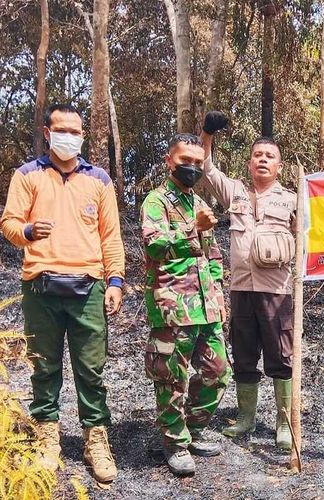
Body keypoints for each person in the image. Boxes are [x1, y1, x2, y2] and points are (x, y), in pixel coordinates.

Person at [0, 103, 124, 482]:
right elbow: (8, 222)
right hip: (41, 287)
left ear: (83, 136)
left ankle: (96, 439)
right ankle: (47, 437)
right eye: (62, 129)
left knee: (91, 369)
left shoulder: (99, 179)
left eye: (76, 131)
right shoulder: (28, 176)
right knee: (44, 366)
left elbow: (111, 237)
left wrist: (115, 281)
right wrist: (28, 232)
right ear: (47, 131)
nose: (69, 136)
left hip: (88, 288)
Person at [199, 111, 297, 450]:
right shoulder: (235, 192)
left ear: (279, 166)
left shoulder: (292, 200)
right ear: (249, 162)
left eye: (270, 156)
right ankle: (246, 418)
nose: (263, 160)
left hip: (277, 291)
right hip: (241, 289)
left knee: (281, 357)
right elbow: (207, 169)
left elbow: (308, 238)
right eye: (258, 155)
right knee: (243, 355)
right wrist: (207, 135)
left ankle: (284, 424)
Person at [140, 133, 231, 476]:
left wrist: (219, 297)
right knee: (171, 378)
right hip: (172, 306)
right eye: (184, 161)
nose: (191, 168)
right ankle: (174, 442)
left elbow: (214, 256)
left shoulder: (199, 203)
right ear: (169, 161)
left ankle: (191, 430)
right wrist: (193, 229)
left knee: (218, 372)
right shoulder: (156, 201)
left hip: (206, 306)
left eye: (197, 162)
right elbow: (154, 247)